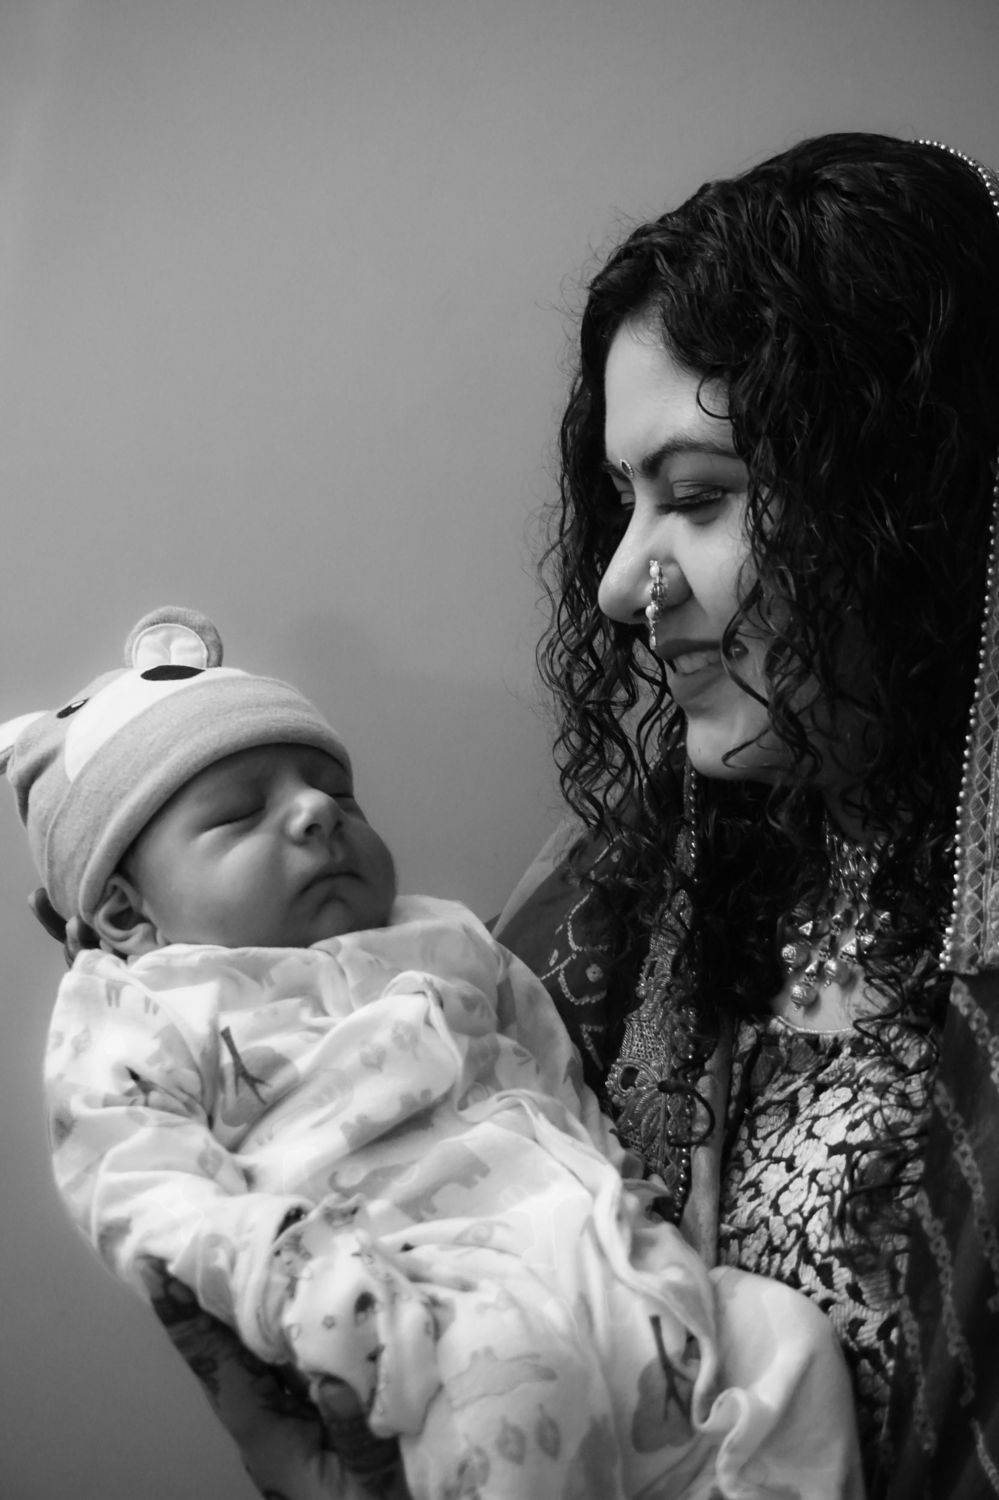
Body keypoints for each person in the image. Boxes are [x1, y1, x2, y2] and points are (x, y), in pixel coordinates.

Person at [1, 605, 861, 1500]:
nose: (315, 813)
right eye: (240, 813)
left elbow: (545, 1059)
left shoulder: (442, 934)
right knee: (514, 1385)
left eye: (338, 796)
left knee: (781, 1333)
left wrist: (617, 1177)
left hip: (607, 1257)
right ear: (125, 913)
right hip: (422, 1303)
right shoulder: (142, 1005)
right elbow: (133, 1178)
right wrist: (278, 1271)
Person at [499, 132, 999, 1500]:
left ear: (910, 498)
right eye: (623, 504)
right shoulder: (631, 884)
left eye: (699, 497)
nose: (619, 585)